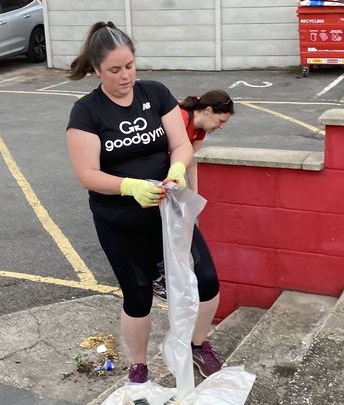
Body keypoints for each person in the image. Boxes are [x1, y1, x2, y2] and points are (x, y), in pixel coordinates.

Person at [65, 21, 222, 383]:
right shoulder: (86, 112)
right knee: (138, 296)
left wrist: (179, 168)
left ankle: (198, 344)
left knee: (207, 280)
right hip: (120, 219)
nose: (126, 76)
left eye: (130, 65)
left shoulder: (156, 92)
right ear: (96, 70)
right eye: (115, 70)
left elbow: (181, 143)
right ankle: (139, 365)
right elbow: (87, 174)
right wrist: (129, 187)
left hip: (170, 211)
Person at [152, 90, 234, 301]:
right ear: (207, 110)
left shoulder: (199, 131)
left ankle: (164, 272)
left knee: (171, 226)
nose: (222, 126)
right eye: (220, 120)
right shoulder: (179, 118)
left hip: (169, 180)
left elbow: (191, 160)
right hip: (154, 178)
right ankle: (155, 276)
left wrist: (193, 196)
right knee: (156, 227)